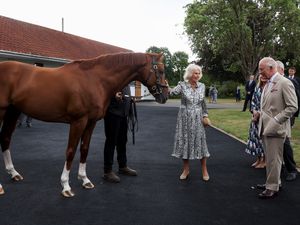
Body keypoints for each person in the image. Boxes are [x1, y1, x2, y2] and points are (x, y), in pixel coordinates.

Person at [256, 57, 298, 199]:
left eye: (262, 69)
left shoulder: (284, 82)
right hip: (265, 126)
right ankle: (273, 182)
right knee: (271, 158)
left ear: (271, 68)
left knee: (274, 159)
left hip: (276, 128)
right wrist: (259, 114)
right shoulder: (268, 83)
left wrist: (275, 120)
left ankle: (272, 187)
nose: (260, 72)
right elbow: (268, 106)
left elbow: (293, 106)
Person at [168, 64, 210, 181]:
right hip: (184, 118)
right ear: (190, 74)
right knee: (185, 142)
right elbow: (171, 93)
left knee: (200, 143)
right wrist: (164, 85)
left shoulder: (202, 86)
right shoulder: (182, 85)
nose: (197, 75)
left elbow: (203, 103)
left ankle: (204, 170)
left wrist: (205, 116)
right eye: (194, 73)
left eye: (198, 73)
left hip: (198, 118)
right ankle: (186, 170)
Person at [102, 85, 137, 183]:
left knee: (122, 141)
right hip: (112, 112)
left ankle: (122, 166)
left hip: (123, 113)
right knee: (111, 141)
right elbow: (103, 90)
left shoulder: (126, 78)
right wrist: (113, 95)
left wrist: (130, 99)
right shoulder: (112, 75)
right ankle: (107, 171)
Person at [277, 61, 299, 181]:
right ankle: (278, 169)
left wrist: (293, 116)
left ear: (281, 69)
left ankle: (292, 169)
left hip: (286, 117)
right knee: (276, 145)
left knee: (285, 143)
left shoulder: (289, 82)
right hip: (274, 119)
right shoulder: (273, 81)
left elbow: (295, 101)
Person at [245, 75, 267, 168]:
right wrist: (254, 112)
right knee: (256, 139)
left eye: (265, 77)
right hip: (255, 119)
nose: (263, 78)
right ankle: (258, 159)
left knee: (264, 140)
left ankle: (265, 160)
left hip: (264, 118)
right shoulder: (257, 88)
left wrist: (259, 114)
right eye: (261, 77)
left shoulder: (269, 88)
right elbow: (253, 101)